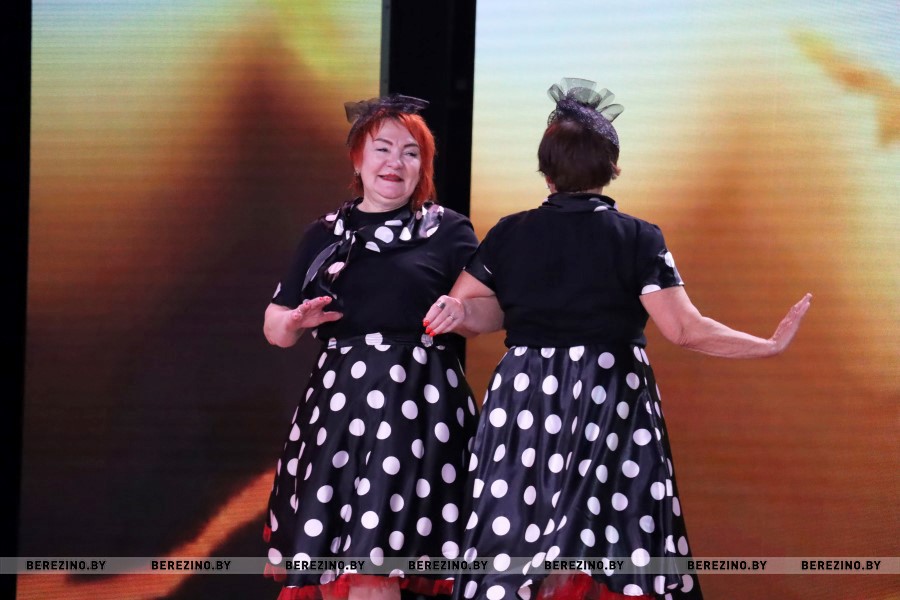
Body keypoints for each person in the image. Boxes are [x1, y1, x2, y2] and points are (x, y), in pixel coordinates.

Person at [424, 78, 812, 600]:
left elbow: (473, 313)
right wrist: (767, 344)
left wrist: (460, 311)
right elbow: (685, 330)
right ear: (613, 168)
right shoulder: (637, 237)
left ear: (546, 172)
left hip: (524, 402)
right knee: (609, 545)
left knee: (517, 544)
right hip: (608, 401)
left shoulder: (509, 233)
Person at [263, 94, 480, 600]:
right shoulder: (324, 234)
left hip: (422, 407)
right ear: (358, 159)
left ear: (423, 167)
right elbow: (275, 327)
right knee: (340, 560)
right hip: (341, 409)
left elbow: (492, 313)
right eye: (383, 149)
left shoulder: (448, 230)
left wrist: (464, 312)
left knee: (375, 561)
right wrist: (294, 320)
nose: (395, 162)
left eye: (411, 153)